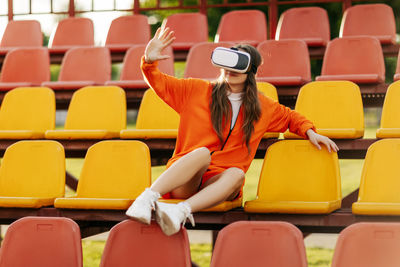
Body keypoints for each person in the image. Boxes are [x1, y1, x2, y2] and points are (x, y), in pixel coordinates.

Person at [126, 27, 339, 236]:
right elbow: (159, 82)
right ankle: (145, 200)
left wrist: (310, 131)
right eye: (227, 63)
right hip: (186, 180)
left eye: (238, 64)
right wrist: (149, 60)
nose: (230, 69)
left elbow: (291, 117)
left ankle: (179, 212)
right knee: (201, 153)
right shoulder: (196, 91)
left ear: (251, 71)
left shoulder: (264, 107)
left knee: (237, 173)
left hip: (218, 183)